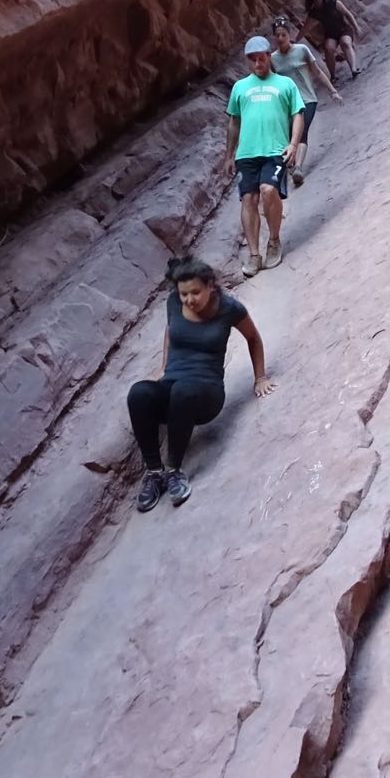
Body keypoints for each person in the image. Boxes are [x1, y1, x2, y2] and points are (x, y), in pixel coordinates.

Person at [127, 256, 275, 510]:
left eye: (195, 292)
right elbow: (171, 329)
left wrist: (260, 378)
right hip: (173, 386)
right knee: (138, 393)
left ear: (211, 286)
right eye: (184, 294)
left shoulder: (229, 308)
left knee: (183, 392)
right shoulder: (174, 302)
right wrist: (164, 367)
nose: (189, 300)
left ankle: (174, 469)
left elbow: (253, 338)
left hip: (207, 396)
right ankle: (154, 473)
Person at [224, 35, 305, 277]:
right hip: (247, 154)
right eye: (253, 60)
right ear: (249, 61)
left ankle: (274, 240)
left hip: (275, 150)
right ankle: (254, 254)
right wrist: (229, 155)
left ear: (269, 56)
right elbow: (234, 121)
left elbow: (298, 114)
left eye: (261, 58)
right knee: (248, 199)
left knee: (268, 191)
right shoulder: (240, 88)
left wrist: (293, 143)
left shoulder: (285, 85)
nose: (258, 64)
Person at [270, 16, 341, 185]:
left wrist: (333, 91)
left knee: (301, 133)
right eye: (277, 35)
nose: (280, 39)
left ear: (289, 34)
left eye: (283, 35)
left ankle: (299, 169)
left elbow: (316, 72)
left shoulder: (301, 50)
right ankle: (292, 165)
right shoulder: (272, 59)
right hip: (287, 105)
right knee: (288, 137)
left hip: (307, 99)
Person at [303, 0, 363, 81]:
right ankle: (333, 76)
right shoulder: (314, 13)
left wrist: (356, 27)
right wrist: (295, 40)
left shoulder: (334, 3)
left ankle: (353, 69)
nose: (317, 1)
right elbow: (305, 28)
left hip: (343, 29)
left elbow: (348, 14)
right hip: (331, 34)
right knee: (329, 49)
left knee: (345, 43)